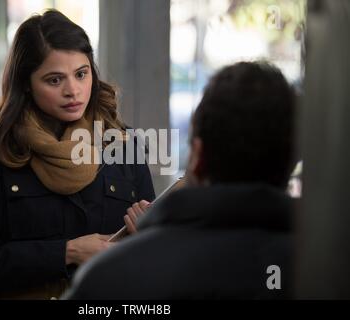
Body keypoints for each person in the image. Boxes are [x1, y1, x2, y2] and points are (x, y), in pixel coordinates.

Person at [0, 9, 155, 299]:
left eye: (81, 74)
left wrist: (148, 234)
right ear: (26, 85)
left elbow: (152, 261)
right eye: (54, 80)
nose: (73, 90)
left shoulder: (122, 143)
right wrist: (67, 252)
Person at [62, 61, 297, 300]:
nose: (71, 90)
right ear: (292, 159)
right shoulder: (327, 269)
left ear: (198, 156)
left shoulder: (110, 278)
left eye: (81, 74)